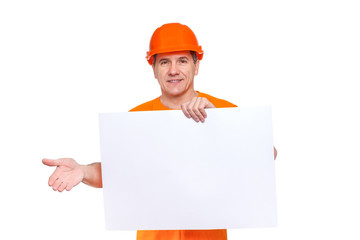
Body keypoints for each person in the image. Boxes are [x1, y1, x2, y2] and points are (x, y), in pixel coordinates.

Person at [43, 23, 278, 240]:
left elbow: (266, 155)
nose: (173, 70)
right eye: (164, 62)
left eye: (182, 61)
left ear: (196, 66)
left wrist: (220, 122)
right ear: (153, 69)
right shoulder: (136, 118)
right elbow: (119, 175)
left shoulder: (223, 111)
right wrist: (83, 171)